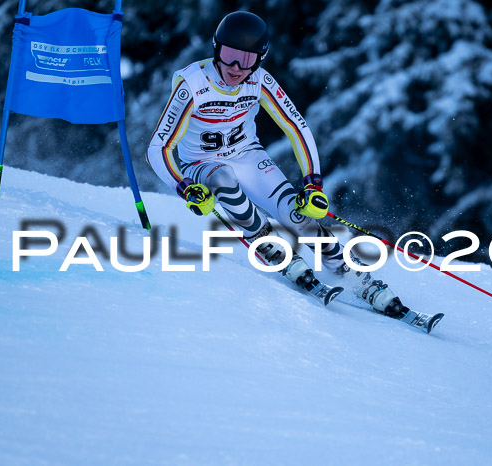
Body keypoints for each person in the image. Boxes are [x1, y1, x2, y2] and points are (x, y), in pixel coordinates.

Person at [146, 11, 408, 318]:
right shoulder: (193, 84)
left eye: (246, 59)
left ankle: (348, 271)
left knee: (296, 214)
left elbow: (297, 128)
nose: (235, 68)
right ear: (216, 49)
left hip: (248, 154)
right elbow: (158, 147)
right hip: (202, 163)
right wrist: (185, 187)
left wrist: (312, 184)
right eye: (229, 55)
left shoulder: (260, 81)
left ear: (260, 58)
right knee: (223, 179)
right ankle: (268, 244)